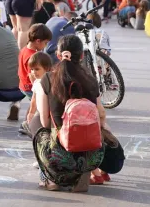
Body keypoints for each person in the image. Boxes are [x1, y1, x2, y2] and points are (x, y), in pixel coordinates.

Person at [32, 34, 106, 191]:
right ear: (82, 56)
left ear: (58, 55)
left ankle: (50, 177)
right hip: (91, 153)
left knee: (35, 121)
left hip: (60, 154)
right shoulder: (90, 79)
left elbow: (45, 122)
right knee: (86, 133)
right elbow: (101, 114)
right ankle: (84, 173)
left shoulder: (48, 78)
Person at [17, 24, 52, 135]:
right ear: (38, 41)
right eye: (45, 43)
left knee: (33, 104)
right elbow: (32, 75)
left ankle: (27, 122)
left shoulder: (24, 49)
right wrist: (38, 87)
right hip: (30, 85)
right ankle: (27, 124)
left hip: (23, 84)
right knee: (36, 103)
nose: (45, 46)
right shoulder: (33, 56)